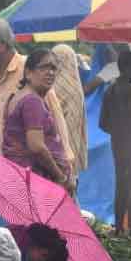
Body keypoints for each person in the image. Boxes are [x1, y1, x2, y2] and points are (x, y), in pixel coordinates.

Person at [0, 17, 72, 166]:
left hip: (27, 168)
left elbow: (55, 114)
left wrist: (66, 160)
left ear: (3, 44)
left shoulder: (31, 69)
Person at [2, 49, 75, 192]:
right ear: (28, 73)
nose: (50, 73)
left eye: (53, 68)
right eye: (44, 67)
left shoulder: (17, 97)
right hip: (37, 179)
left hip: (23, 177)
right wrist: (61, 177)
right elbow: (36, 147)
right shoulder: (32, 101)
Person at [100, 50, 131, 236]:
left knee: (121, 187)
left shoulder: (110, 90)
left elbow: (103, 123)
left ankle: (119, 226)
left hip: (118, 146)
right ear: (126, 68)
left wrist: (117, 133)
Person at [52, 44, 90, 176]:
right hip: (67, 150)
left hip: (53, 150)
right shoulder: (75, 87)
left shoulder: (49, 85)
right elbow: (74, 126)